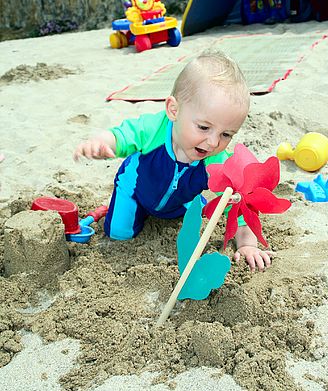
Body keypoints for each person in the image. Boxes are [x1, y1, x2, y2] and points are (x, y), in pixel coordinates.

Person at [73, 50, 272, 272]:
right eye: (204, 127)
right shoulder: (153, 130)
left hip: (178, 202)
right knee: (119, 233)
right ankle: (121, 208)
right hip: (135, 191)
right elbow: (124, 135)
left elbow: (238, 206)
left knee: (192, 212)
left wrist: (247, 244)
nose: (214, 142)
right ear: (173, 110)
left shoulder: (216, 161)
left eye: (227, 134)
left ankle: (183, 205)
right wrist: (102, 143)